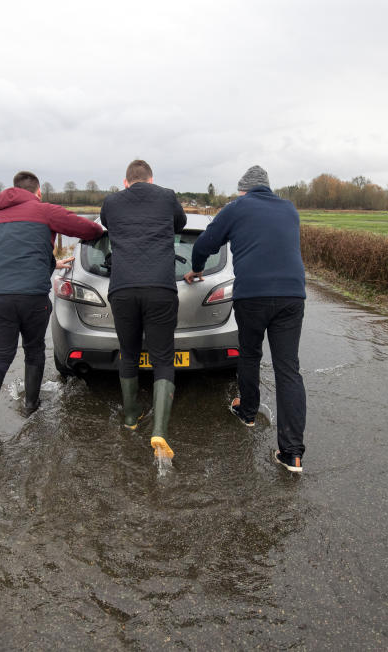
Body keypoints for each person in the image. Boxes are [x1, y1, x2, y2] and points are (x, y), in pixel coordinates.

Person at [183, 165, 307, 473]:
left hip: (253, 295)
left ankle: (248, 412)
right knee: (288, 369)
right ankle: (292, 454)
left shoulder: (236, 208)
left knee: (250, 353)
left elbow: (204, 245)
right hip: (293, 296)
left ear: (243, 190)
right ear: (267, 187)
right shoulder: (289, 209)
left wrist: (197, 269)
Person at [0, 170, 104, 441]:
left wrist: (50, 262)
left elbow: (17, 254)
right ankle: (31, 406)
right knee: (33, 350)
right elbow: (89, 230)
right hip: (31, 297)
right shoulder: (43, 210)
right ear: (38, 192)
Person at [100, 159, 187, 458]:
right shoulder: (167, 195)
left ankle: (130, 418)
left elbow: (106, 224)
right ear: (152, 180)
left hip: (122, 289)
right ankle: (160, 431)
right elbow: (181, 224)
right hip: (160, 287)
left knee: (129, 352)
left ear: (125, 181)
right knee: (163, 357)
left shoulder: (111, 202)